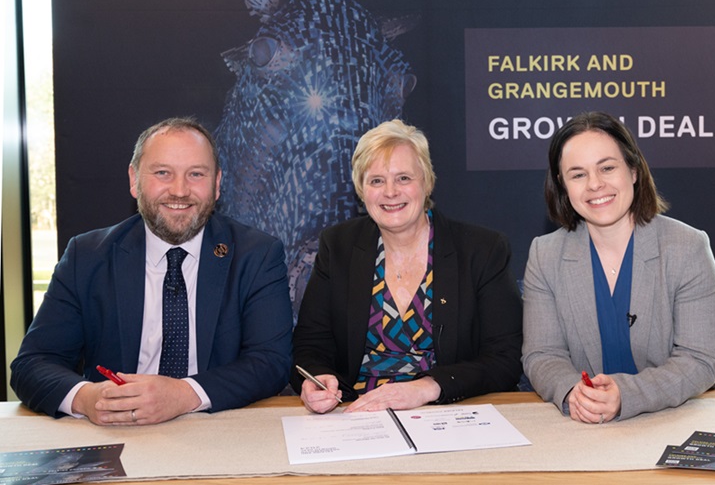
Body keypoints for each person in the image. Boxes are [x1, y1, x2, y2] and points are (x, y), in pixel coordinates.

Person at [11, 117, 293, 425]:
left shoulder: (256, 254)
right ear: (134, 180)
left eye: (196, 174)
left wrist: (182, 394)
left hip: (218, 428)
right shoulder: (88, 256)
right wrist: (88, 399)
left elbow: (270, 363)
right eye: (163, 173)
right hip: (116, 429)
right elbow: (33, 364)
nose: (180, 190)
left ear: (216, 184)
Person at [291, 119, 523, 413]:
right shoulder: (338, 247)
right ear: (361, 189)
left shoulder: (482, 250)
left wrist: (428, 387)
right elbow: (310, 345)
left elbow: (505, 358)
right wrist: (317, 379)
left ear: (427, 182)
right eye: (376, 180)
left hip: (449, 410)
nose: (390, 192)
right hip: (356, 414)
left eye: (403, 178)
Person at [522, 111, 715, 423]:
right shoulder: (544, 254)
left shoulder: (687, 246)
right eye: (577, 175)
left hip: (674, 419)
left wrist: (626, 395)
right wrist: (573, 392)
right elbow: (541, 355)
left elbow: (700, 359)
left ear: (633, 170)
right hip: (583, 427)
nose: (594, 184)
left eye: (607, 168)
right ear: (562, 186)